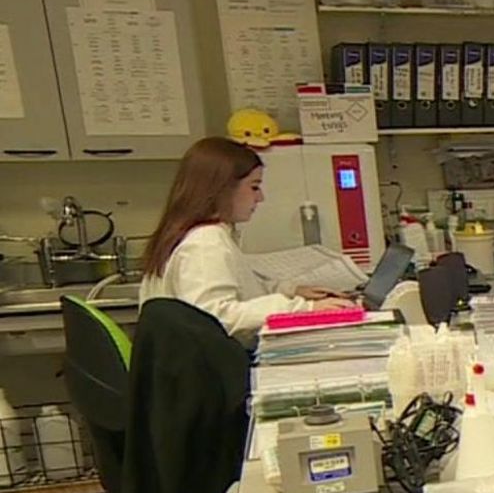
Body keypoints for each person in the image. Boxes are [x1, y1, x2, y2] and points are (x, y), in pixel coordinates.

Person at [140, 137, 354, 346]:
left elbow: (240, 288)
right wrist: (303, 309)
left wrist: (290, 291)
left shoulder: (193, 233)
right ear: (223, 188)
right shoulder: (205, 243)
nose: (260, 197)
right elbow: (217, 317)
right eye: (254, 186)